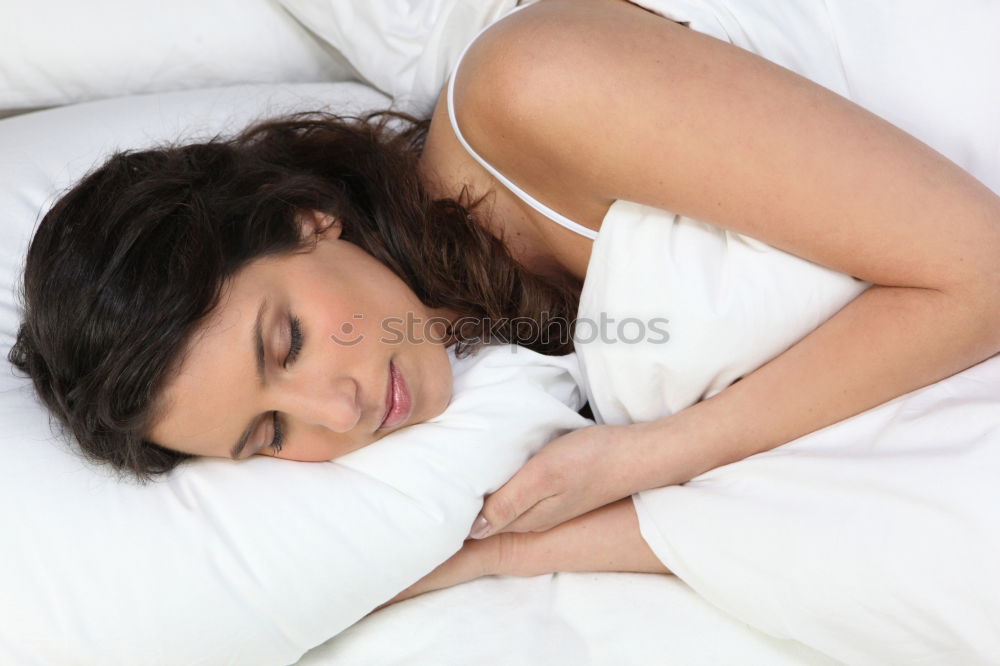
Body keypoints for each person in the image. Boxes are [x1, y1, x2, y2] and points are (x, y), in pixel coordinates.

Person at [9, 0, 1000, 594]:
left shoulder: (529, 92)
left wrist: (651, 451)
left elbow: (982, 264)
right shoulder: (495, 353)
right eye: (268, 434)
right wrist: (493, 560)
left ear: (308, 215)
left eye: (288, 340)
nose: (334, 409)